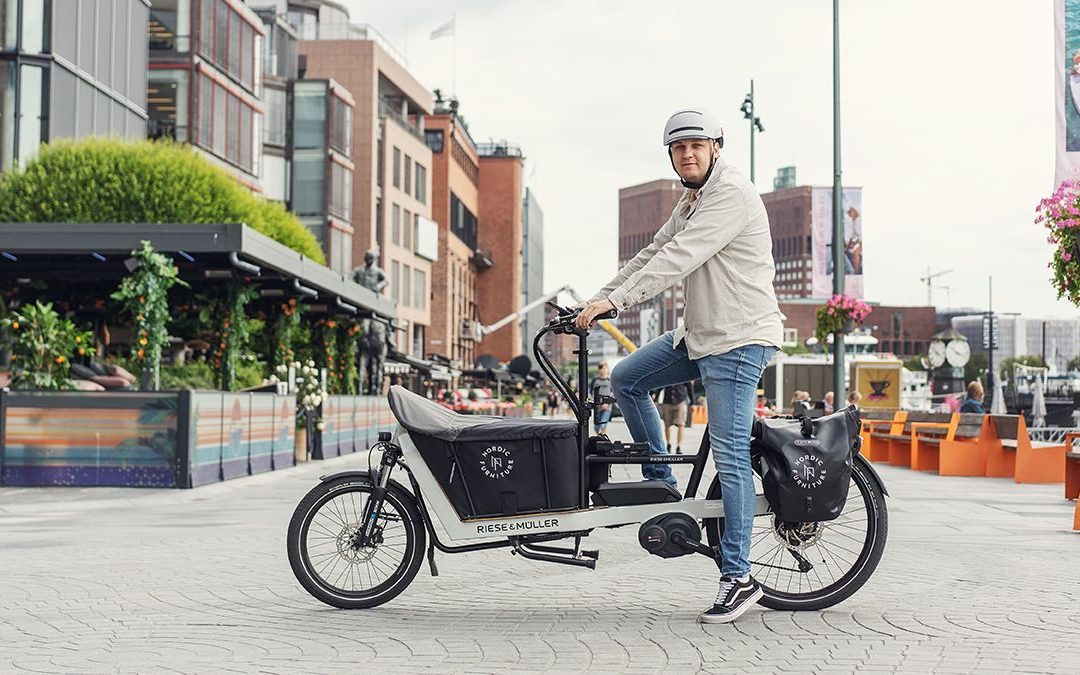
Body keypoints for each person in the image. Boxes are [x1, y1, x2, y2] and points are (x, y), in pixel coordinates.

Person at [574, 109, 784, 625]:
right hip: (700, 335)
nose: (687, 154)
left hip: (737, 339)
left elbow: (680, 258)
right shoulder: (692, 199)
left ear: (716, 147)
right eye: (678, 148)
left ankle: (738, 577)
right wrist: (594, 301)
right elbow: (652, 252)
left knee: (730, 456)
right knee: (626, 378)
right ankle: (662, 482)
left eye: (696, 145)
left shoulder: (730, 194)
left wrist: (618, 303)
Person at [658, 382, 693, 454]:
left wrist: (692, 402)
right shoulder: (665, 374)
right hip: (667, 401)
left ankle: (679, 446)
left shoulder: (684, 375)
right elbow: (659, 385)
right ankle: (668, 444)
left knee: (681, 424)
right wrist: (655, 396)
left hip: (680, 401)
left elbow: (689, 386)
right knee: (667, 424)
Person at [590, 362, 614, 435]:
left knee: (603, 425)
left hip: (607, 407)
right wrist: (596, 402)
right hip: (597, 407)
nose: (603, 370)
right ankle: (599, 437)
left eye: (604, 368)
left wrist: (607, 403)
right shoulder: (595, 380)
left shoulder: (610, 380)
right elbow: (592, 392)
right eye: (601, 368)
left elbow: (613, 393)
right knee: (596, 427)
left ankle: (603, 438)